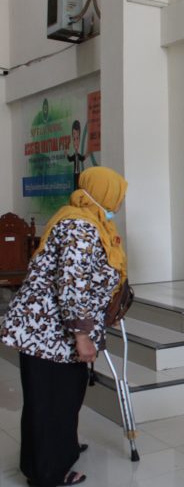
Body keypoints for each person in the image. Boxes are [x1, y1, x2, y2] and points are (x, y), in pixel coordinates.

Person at [0, 166, 128, 487]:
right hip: (51, 333)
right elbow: (72, 285)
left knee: (62, 398)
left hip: (56, 333)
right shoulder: (80, 228)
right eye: (117, 194)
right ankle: (48, 473)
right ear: (104, 193)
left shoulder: (87, 222)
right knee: (51, 402)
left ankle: (61, 450)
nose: (119, 202)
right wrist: (82, 335)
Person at [67, 120, 86, 188]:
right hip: (75, 172)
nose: (75, 142)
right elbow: (70, 159)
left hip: (78, 172)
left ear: (80, 138)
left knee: (79, 184)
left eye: (77, 138)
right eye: (74, 139)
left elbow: (82, 158)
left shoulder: (78, 155)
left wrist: (87, 154)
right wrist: (67, 154)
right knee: (75, 185)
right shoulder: (74, 156)